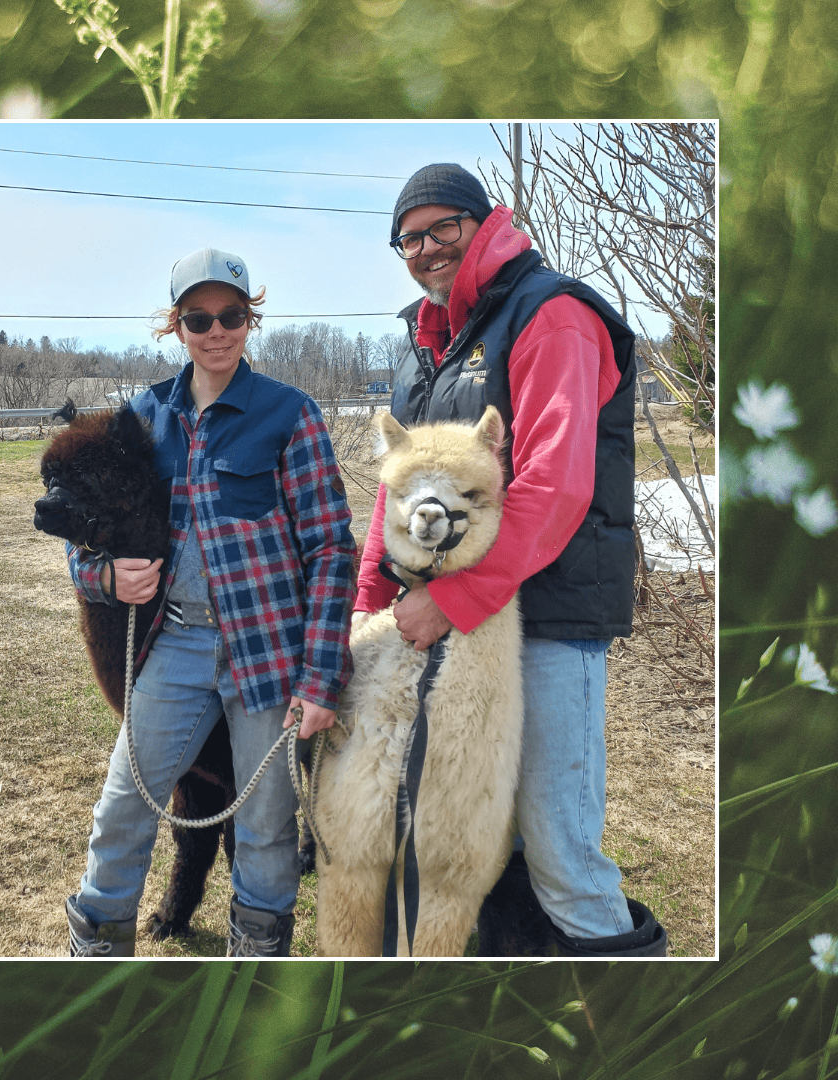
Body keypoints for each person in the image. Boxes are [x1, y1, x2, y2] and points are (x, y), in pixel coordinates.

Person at [355, 163, 668, 957]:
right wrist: (367, 605)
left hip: (545, 622)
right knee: (477, 838)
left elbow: (555, 489)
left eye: (442, 228)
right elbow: (394, 498)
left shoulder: (550, 315)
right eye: (409, 238)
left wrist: (452, 603)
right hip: (454, 631)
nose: (426, 249)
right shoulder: (430, 344)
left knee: (559, 849)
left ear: (483, 220)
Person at [63, 248, 356, 957]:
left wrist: (319, 680)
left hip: (269, 653)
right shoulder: (142, 418)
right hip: (178, 646)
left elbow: (331, 552)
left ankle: (256, 963)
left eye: (231, 315)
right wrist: (104, 581)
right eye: (199, 317)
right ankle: (96, 949)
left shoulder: (291, 415)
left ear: (249, 320)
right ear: (177, 325)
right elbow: (83, 528)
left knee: (266, 824)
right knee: (124, 803)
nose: (216, 330)